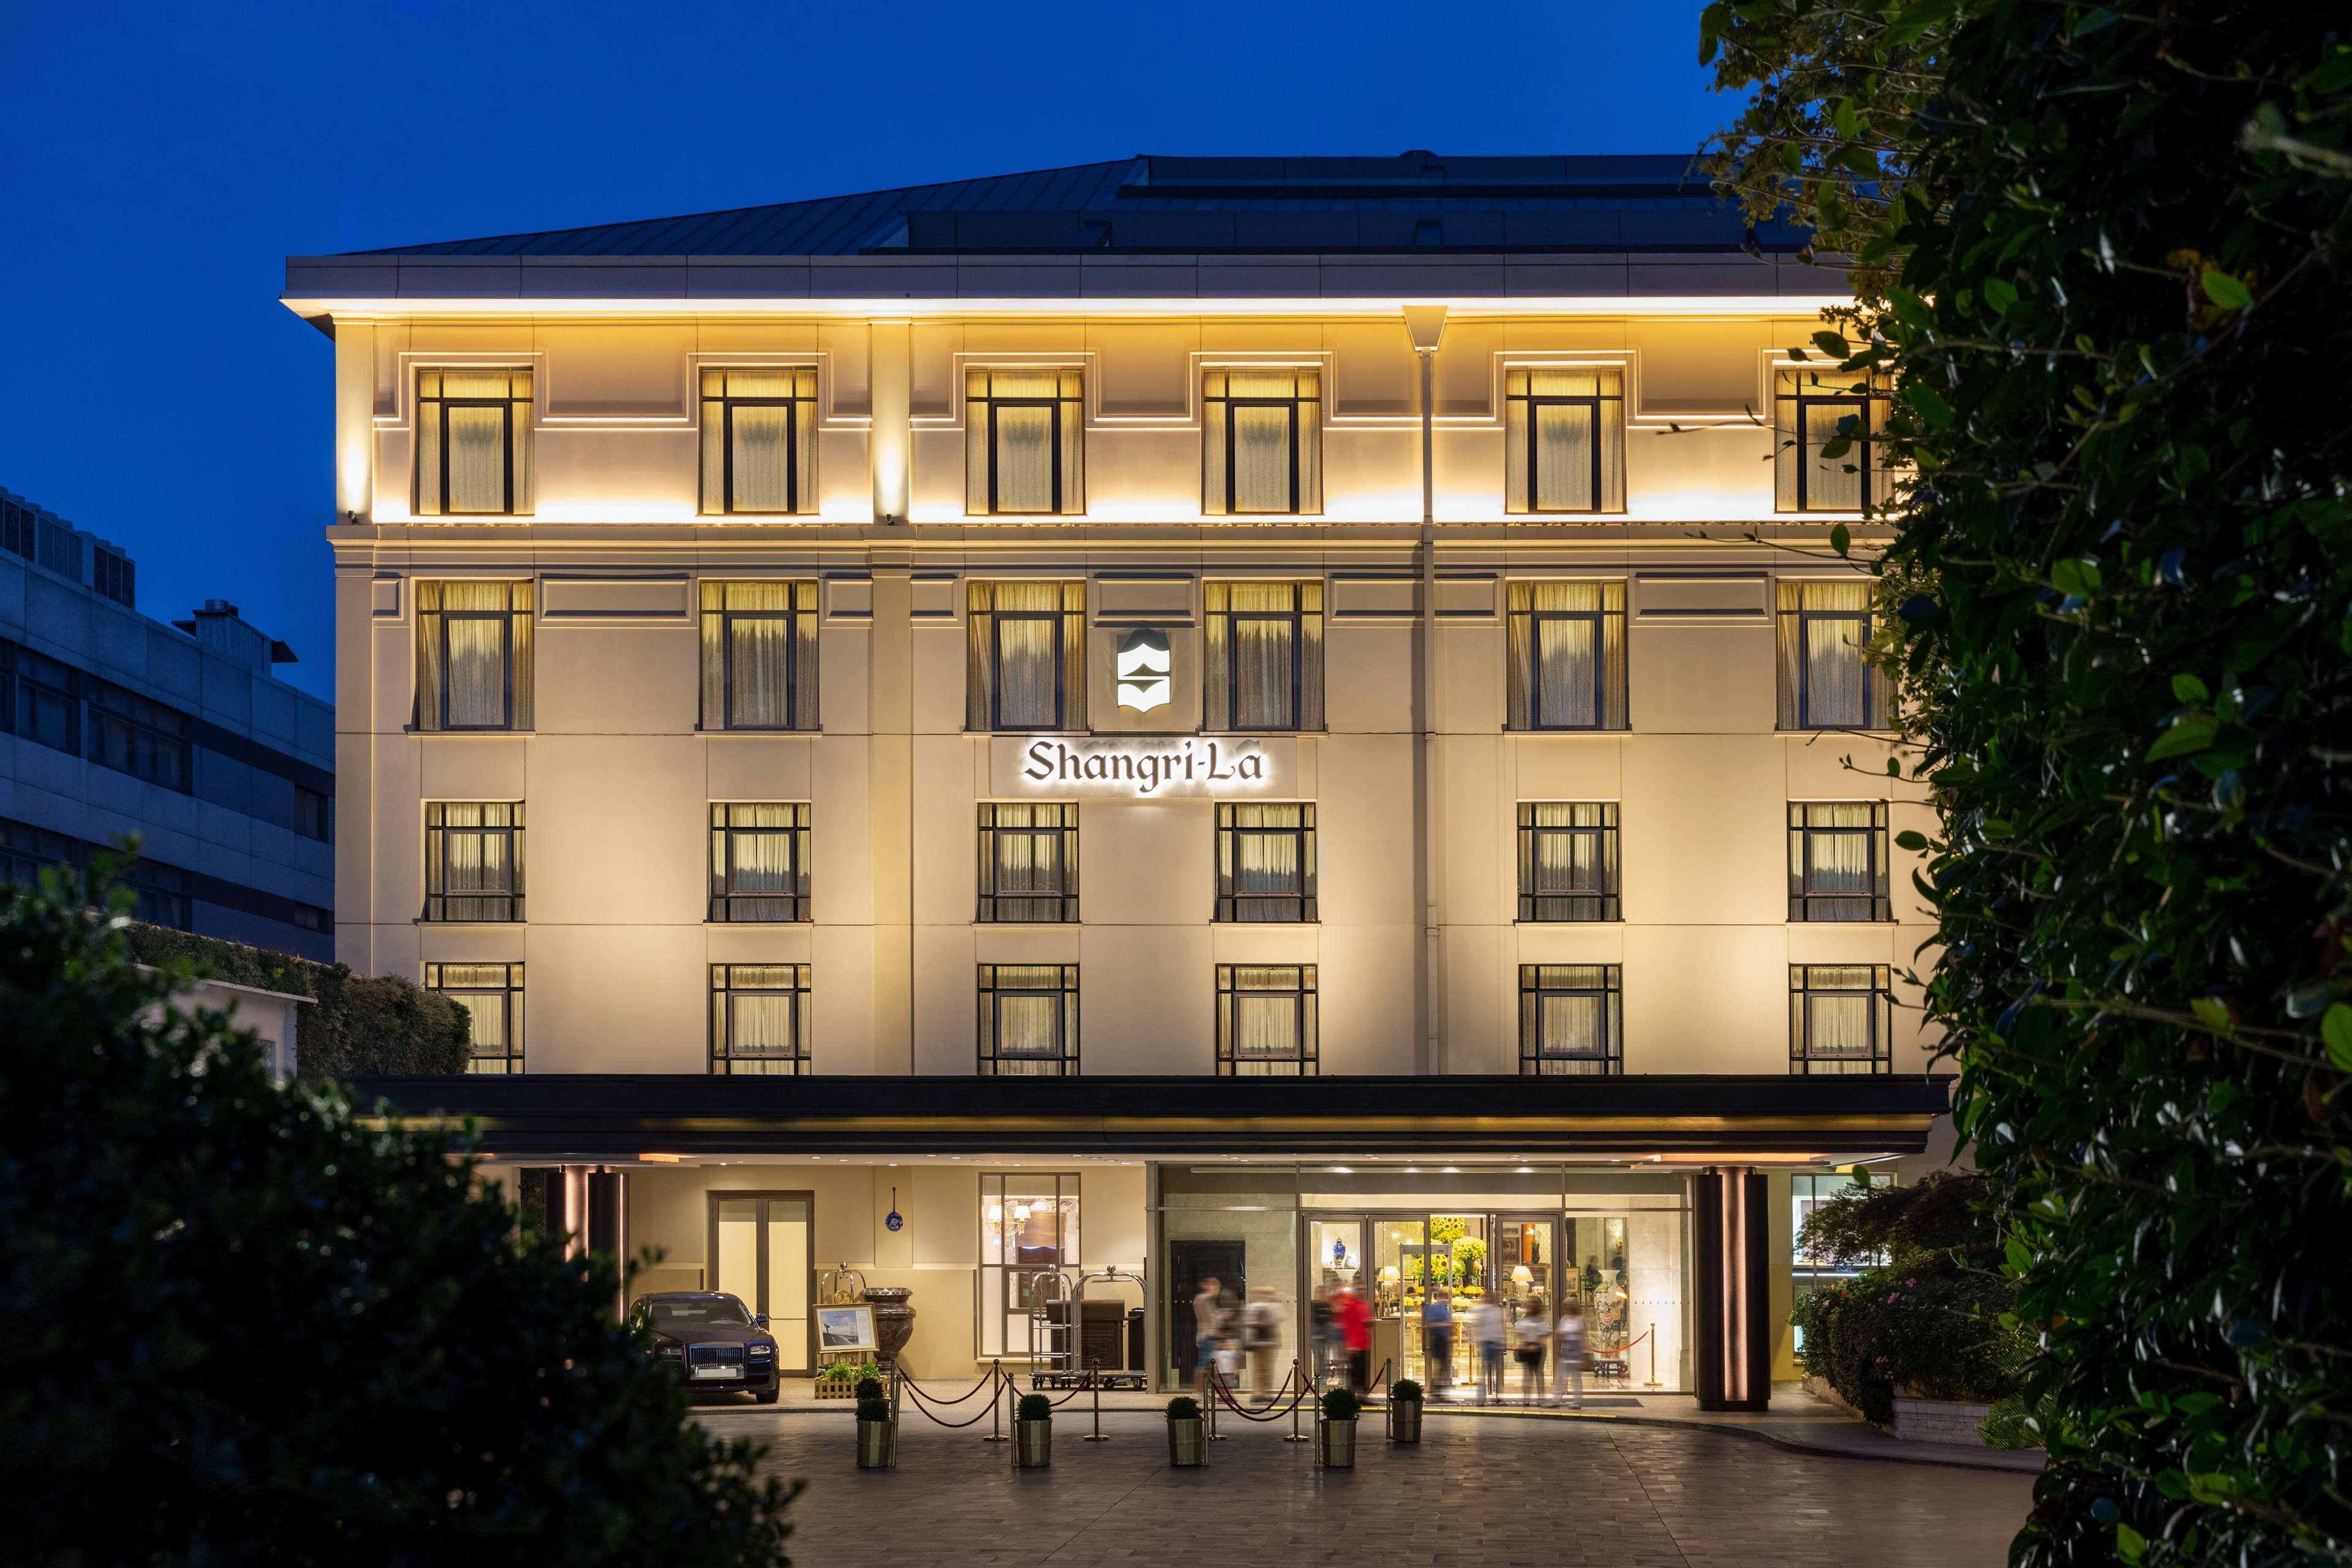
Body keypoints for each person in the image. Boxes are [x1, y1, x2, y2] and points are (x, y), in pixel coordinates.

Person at [1242, 1285, 1286, 1401]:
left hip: (1268, 1342)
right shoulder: (1254, 1307)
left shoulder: (1271, 1307)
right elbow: (1248, 1321)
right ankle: (1258, 1393)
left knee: (1266, 1369)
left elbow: (1280, 1317)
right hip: (1260, 1342)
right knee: (1259, 1369)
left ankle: (1265, 1392)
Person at [1330, 1283, 1373, 1394]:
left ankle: (1363, 1395)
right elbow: (1347, 1325)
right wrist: (1349, 1344)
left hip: (1365, 1343)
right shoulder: (1349, 1306)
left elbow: (1366, 1321)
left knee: (1363, 1372)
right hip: (1354, 1345)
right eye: (1359, 1289)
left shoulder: (1365, 1305)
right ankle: (1353, 1396)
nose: (1361, 1291)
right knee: (1355, 1373)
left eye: (1363, 1289)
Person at [1468, 1292, 1507, 1406]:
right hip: (1486, 1343)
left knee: (1490, 1371)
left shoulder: (1495, 1311)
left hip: (1493, 1343)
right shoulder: (1485, 1310)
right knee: (1485, 1371)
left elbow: (1499, 1327)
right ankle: (1484, 1397)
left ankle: (1495, 1395)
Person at [1191, 1276, 1226, 1399]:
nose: (1217, 1289)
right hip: (1207, 1337)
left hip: (1212, 1336)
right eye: (1214, 1285)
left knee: (1211, 1367)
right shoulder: (1202, 1299)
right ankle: (1200, 1393)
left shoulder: (1209, 1302)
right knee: (1203, 1365)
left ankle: (1206, 1391)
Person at [1513, 1294, 1550, 1403]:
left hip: (1539, 1349)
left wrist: (1537, 1345)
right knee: (1527, 1374)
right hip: (1526, 1347)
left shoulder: (1541, 1319)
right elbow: (1520, 1330)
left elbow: (1545, 1333)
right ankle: (1526, 1396)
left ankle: (1541, 1397)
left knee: (1539, 1373)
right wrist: (1524, 1344)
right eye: (1531, 1302)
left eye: (1535, 1303)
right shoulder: (1525, 1318)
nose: (1532, 1304)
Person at [1553, 1295, 1588, 1409]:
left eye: (1569, 1306)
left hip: (1576, 1353)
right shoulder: (1565, 1319)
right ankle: (1556, 1399)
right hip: (1565, 1352)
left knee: (1576, 1378)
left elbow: (1581, 1335)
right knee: (1561, 1377)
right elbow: (1559, 1333)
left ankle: (1577, 1401)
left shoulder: (1579, 1319)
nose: (1567, 1308)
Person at [1421, 1286, 1455, 1396]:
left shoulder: (1445, 1308)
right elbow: (1429, 1324)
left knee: (1444, 1366)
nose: (1450, 1299)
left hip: (1444, 1340)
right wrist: (1446, 1325)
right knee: (1442, 1367)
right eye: (1449, 1296)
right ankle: (1436, 1392)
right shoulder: (1436, 1308)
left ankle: (1439, 1392)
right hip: (1438, 1340)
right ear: (1443, 1296)